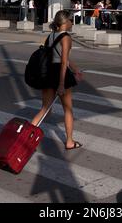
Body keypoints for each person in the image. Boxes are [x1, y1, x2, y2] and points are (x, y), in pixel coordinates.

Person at [31, 10, 84, 150]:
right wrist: (61, 84)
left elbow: (61, 57)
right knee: (68, 109)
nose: (72, 22)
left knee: (45, 109)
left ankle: (27, 137)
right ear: (65, 22)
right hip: (60, 74)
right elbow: (63, 61)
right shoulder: (66, 37)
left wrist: (76, 69)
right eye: (71, 20)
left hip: (48, 73)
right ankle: (69, 142)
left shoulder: (51, 35)